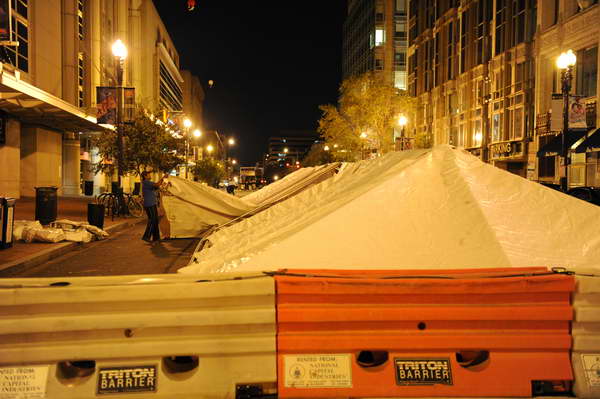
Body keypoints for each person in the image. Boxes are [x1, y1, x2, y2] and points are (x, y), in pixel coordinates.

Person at [141, 171, 167, 243]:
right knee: (152, 220)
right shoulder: (146, 182)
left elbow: (156, 187)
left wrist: (164, 184)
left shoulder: (148, 183)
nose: (150, 175)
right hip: (150, 204)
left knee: (155, 220)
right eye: (148, 174)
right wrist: (163, 178)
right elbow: (156, 184)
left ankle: (156, 238)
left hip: (151, 203)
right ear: (145, 176)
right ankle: (146, 236)